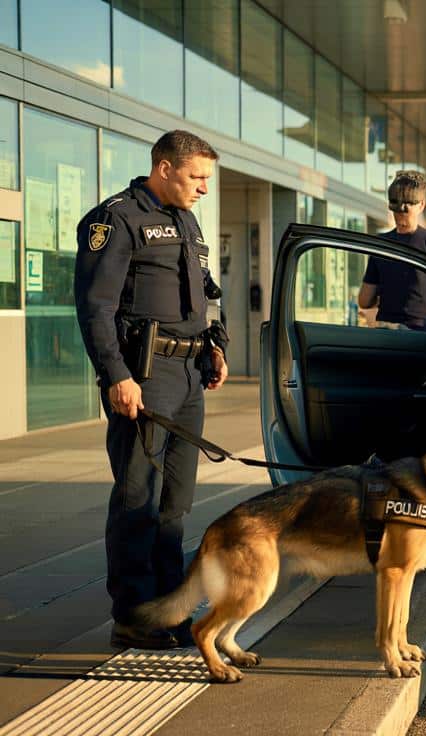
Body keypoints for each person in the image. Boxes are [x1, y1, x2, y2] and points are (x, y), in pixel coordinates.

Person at [74, 130, 229, 650]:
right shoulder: (116, 219)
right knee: (138, 497)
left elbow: (207, 291)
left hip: (188, 376)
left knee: (175, 503)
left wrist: (217, 345)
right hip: (144, 376)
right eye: (197, 177)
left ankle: (168, 608)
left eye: (207, 178)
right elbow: (96, 306)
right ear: (164, 168)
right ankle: (134, 615)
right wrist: (115, 374)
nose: (204, 188)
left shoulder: (186, 219)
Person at [357, 171, 426, 331]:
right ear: (421, 205)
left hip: (386, 331)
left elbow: (365, 300)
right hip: (422, 330)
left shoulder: (381, 243)